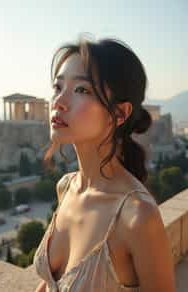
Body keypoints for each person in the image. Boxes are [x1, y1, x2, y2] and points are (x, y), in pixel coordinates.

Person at [33, 36, 176, 292]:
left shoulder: (138, 216)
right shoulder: (65, 187)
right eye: (57, 87)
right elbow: (50, 284)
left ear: (119, 113)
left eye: (81, 90)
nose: (59, 102)